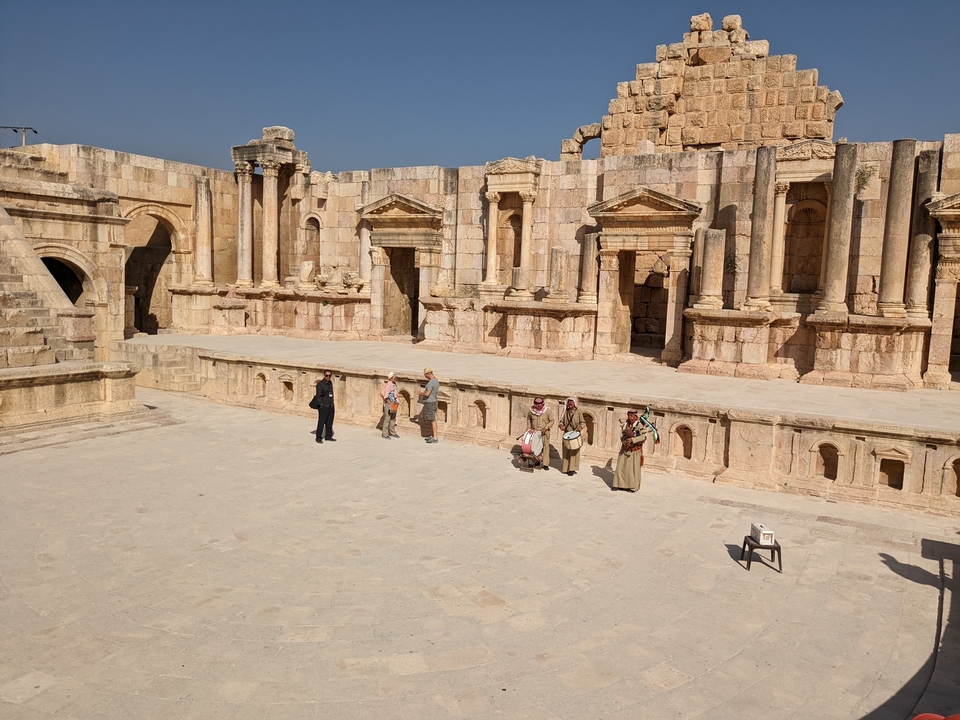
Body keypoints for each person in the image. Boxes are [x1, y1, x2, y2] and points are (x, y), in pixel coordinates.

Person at [613, 409, 646, 491]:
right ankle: (619, 484)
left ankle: (632, 487)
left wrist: (632, 440)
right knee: (620, 467)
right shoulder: (625, 425)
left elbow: (643, 437)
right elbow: (621, 435)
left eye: (632, 416)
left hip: (634, 450)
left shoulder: (639, 425)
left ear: (635, 417)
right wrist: (624, 441)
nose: (630, 417)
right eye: (629, 415)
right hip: (625, 449)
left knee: (632, 470)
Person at [559, 396, 586, 476]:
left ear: (575, 404)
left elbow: (583, 422)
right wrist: (561, 426)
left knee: (574, 452)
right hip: (566, 434)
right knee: (566, 451)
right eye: (569, 402)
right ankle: (565, 468)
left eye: (571, 402)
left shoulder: (578, 412)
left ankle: (572, 469)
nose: (569, 404)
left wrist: (580, 427)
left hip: (575, 434)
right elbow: (560, 421)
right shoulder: (565, 411)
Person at [526, 397, 555, 470]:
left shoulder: (547, 411)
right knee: (535, 447)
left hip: (544, 432)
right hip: (534, 432)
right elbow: (528, 419)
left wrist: (546, 427)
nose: (538, 407)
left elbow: (552, 421)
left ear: (542, 404)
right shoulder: (531, 411)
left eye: (539, 405)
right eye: (536, 405)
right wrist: (529, 428)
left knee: (545, 448)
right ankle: (536, 461)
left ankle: (545, 464)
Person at [313, 370, 336, 443]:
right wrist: (321, 405)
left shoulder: (330, 383)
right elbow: (318, 396)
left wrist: (332, 403)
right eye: (327, 375)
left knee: (329, 422)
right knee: (321, 422)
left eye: (329, 375)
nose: (328, 377)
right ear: (324, 375)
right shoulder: (320, 384)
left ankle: (328, 436)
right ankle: (318, 437)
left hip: (330, 405)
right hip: (323, 406)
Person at [418, 367, 440, 443]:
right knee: (432, 419)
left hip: (430, 402)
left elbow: (427, 393)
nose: (425, 377)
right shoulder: (436, 381)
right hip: (434, 401)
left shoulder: (431, 383)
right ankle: (433, 435)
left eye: (425, 375)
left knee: (432, 420)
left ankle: (435, 437)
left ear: (428, 374)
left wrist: (420, 393)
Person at [380, 372, 400, 439]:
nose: (396, 378)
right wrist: (388, 402)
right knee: (387, 419)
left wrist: (397, 402)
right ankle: (385, 434)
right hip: (389, 403)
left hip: (394, 403)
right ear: (391, 378)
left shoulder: (394, 384)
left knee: (393, 418)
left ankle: (392, 432)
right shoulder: (389, 385)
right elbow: (383, 394)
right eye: (394, 377)